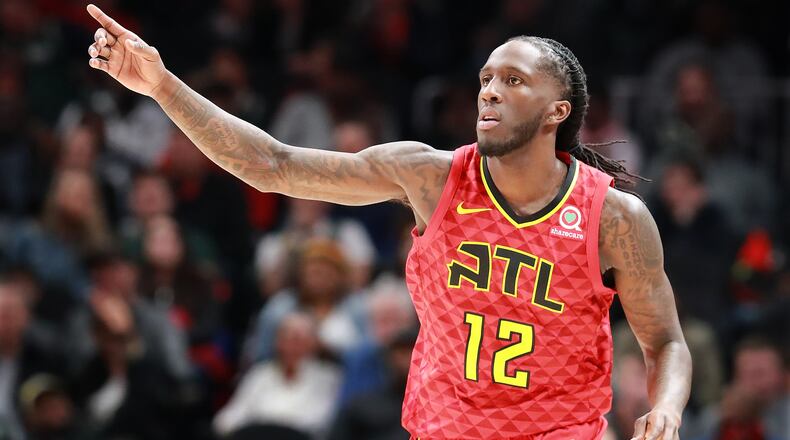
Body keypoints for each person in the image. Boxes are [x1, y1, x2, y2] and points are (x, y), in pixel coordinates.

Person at [85, 5, 692, 439]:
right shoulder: (430, 177)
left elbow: (664, 340)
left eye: (513, 81)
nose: (489, 92)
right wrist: (161, 86)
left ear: (559, 110)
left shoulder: (612, 217)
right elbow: (274, 164)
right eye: (485, 79)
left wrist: (664, 408)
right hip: (441, 428)